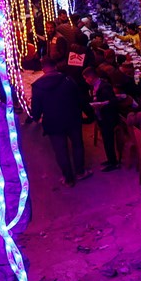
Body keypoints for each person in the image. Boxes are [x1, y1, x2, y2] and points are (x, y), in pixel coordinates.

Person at [31, 57, 93, 186]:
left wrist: (35, 117)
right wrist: (91, 114)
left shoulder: (37, 86)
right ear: (55, 66)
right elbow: (80, 99)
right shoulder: (68, 80)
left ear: (43, 69)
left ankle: (68, 178)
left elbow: (36, 108)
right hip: (72, 118)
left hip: (53, 122)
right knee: (77, 145)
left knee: (60, 150)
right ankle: (80, 172)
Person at [82, 67, 121, 172]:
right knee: (106, 140)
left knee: (109, 141)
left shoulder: (105, 87)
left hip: (108, 119)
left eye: (86, 78)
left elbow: (113, 101)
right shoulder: (94, 86)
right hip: (101, 117)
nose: (86, 81)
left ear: (91, 77)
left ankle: (113, 162)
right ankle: (110, 159)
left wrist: (103, 104)